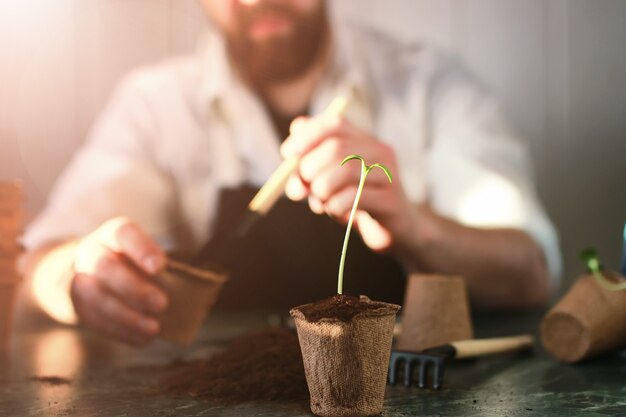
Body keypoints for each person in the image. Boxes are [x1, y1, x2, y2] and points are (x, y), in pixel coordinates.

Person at [21, 0, 561, 346]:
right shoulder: (155, 105)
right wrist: (75, 277)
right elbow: (34, 267)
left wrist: (416, 226)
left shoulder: (428, 87)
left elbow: (532, 272)